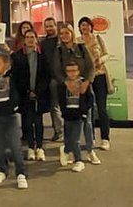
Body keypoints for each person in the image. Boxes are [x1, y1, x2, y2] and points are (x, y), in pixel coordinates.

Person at [51, 26, 98, 165]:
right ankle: (69, 151)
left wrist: (86, 82)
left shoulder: (82, 48)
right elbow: (56, 70)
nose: (64, 35)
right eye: (62, 33)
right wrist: (66, 83)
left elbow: (91, 67)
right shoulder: (59, 51)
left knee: (87, 122)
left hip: (84, 90)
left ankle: (90, 151)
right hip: (67, 91)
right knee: (69, 123)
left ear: (72, 33)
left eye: (67, 33)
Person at [0, 54, 28, 189]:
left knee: (15, 146)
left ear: (6, 65)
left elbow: (19, 92)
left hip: (11, 116)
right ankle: (1, 170)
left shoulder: (13, 77)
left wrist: (15, 107)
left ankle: (21, 173)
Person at [12, 30, 50, 161]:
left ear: (36, 39)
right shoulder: (17, 57)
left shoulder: (43, 56)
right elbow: (15, 78)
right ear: (24, 40)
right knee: (27, 122)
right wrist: (27, 91)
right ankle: (30, 147)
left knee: (38, 122)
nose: (29, 39)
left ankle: (39, 147)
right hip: (24, 95)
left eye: (32, 37)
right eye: (27, 37)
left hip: (40, 95)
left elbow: (46, 76)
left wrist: (38, 91)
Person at [78, 17, 113, 151]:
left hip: (100, 76)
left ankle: (105, 138)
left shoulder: (98, 39)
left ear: (91, 26)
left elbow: (106, 54)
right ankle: (90, 137)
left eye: (87, 25)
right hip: (86, 78)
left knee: (102, 108)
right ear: (79, 28)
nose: (85, 27)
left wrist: (101, 61)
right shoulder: (77, 41)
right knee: (88, 109)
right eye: (82, 25)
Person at [60, 62, 93, 172]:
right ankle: (65, 150)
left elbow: (90, 100)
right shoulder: (64, 84)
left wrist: (84, 112)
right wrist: (63, 112)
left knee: (75, 140)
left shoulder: (84, 83)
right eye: (69, 71)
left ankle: (79, 161)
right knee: (68, 139)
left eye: (74, 71)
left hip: (79, 115)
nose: (72, 73)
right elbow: (61, 100)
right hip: (68, 115)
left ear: (78, 71)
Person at [40, 17, 63, 142]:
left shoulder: (62, 40)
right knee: (54, 107)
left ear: (56, 26)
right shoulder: (43, 43)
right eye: (47, 26)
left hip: (65, 78)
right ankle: (58, 131)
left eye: (51, 26)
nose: (49, 28)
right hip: (51, 79)